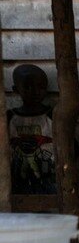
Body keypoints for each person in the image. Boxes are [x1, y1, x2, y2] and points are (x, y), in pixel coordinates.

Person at [7, 64, 57, 195]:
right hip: (15, 184)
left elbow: (72, 148)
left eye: (41, 87)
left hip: (49, 181)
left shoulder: (53, 116)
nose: (35, 91)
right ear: (15, 89)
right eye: (28, 87)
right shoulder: (9, 118)